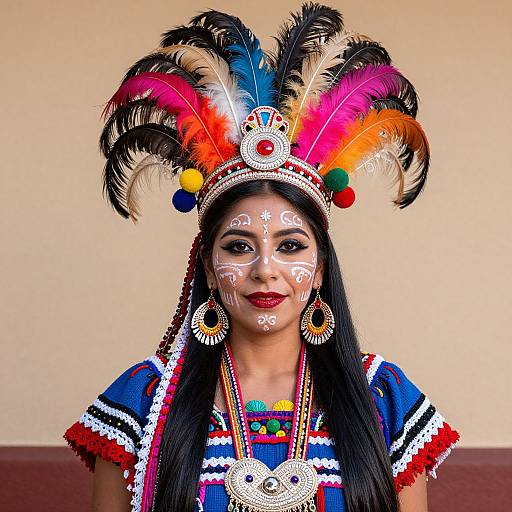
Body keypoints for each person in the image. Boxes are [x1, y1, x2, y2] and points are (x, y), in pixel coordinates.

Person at [63, 4, 460, 512]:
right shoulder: (141, 401)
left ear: (319, 268)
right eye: (238, 247)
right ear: (207, 265)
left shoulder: (383, 397)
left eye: (290, 246)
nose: (264, 269)